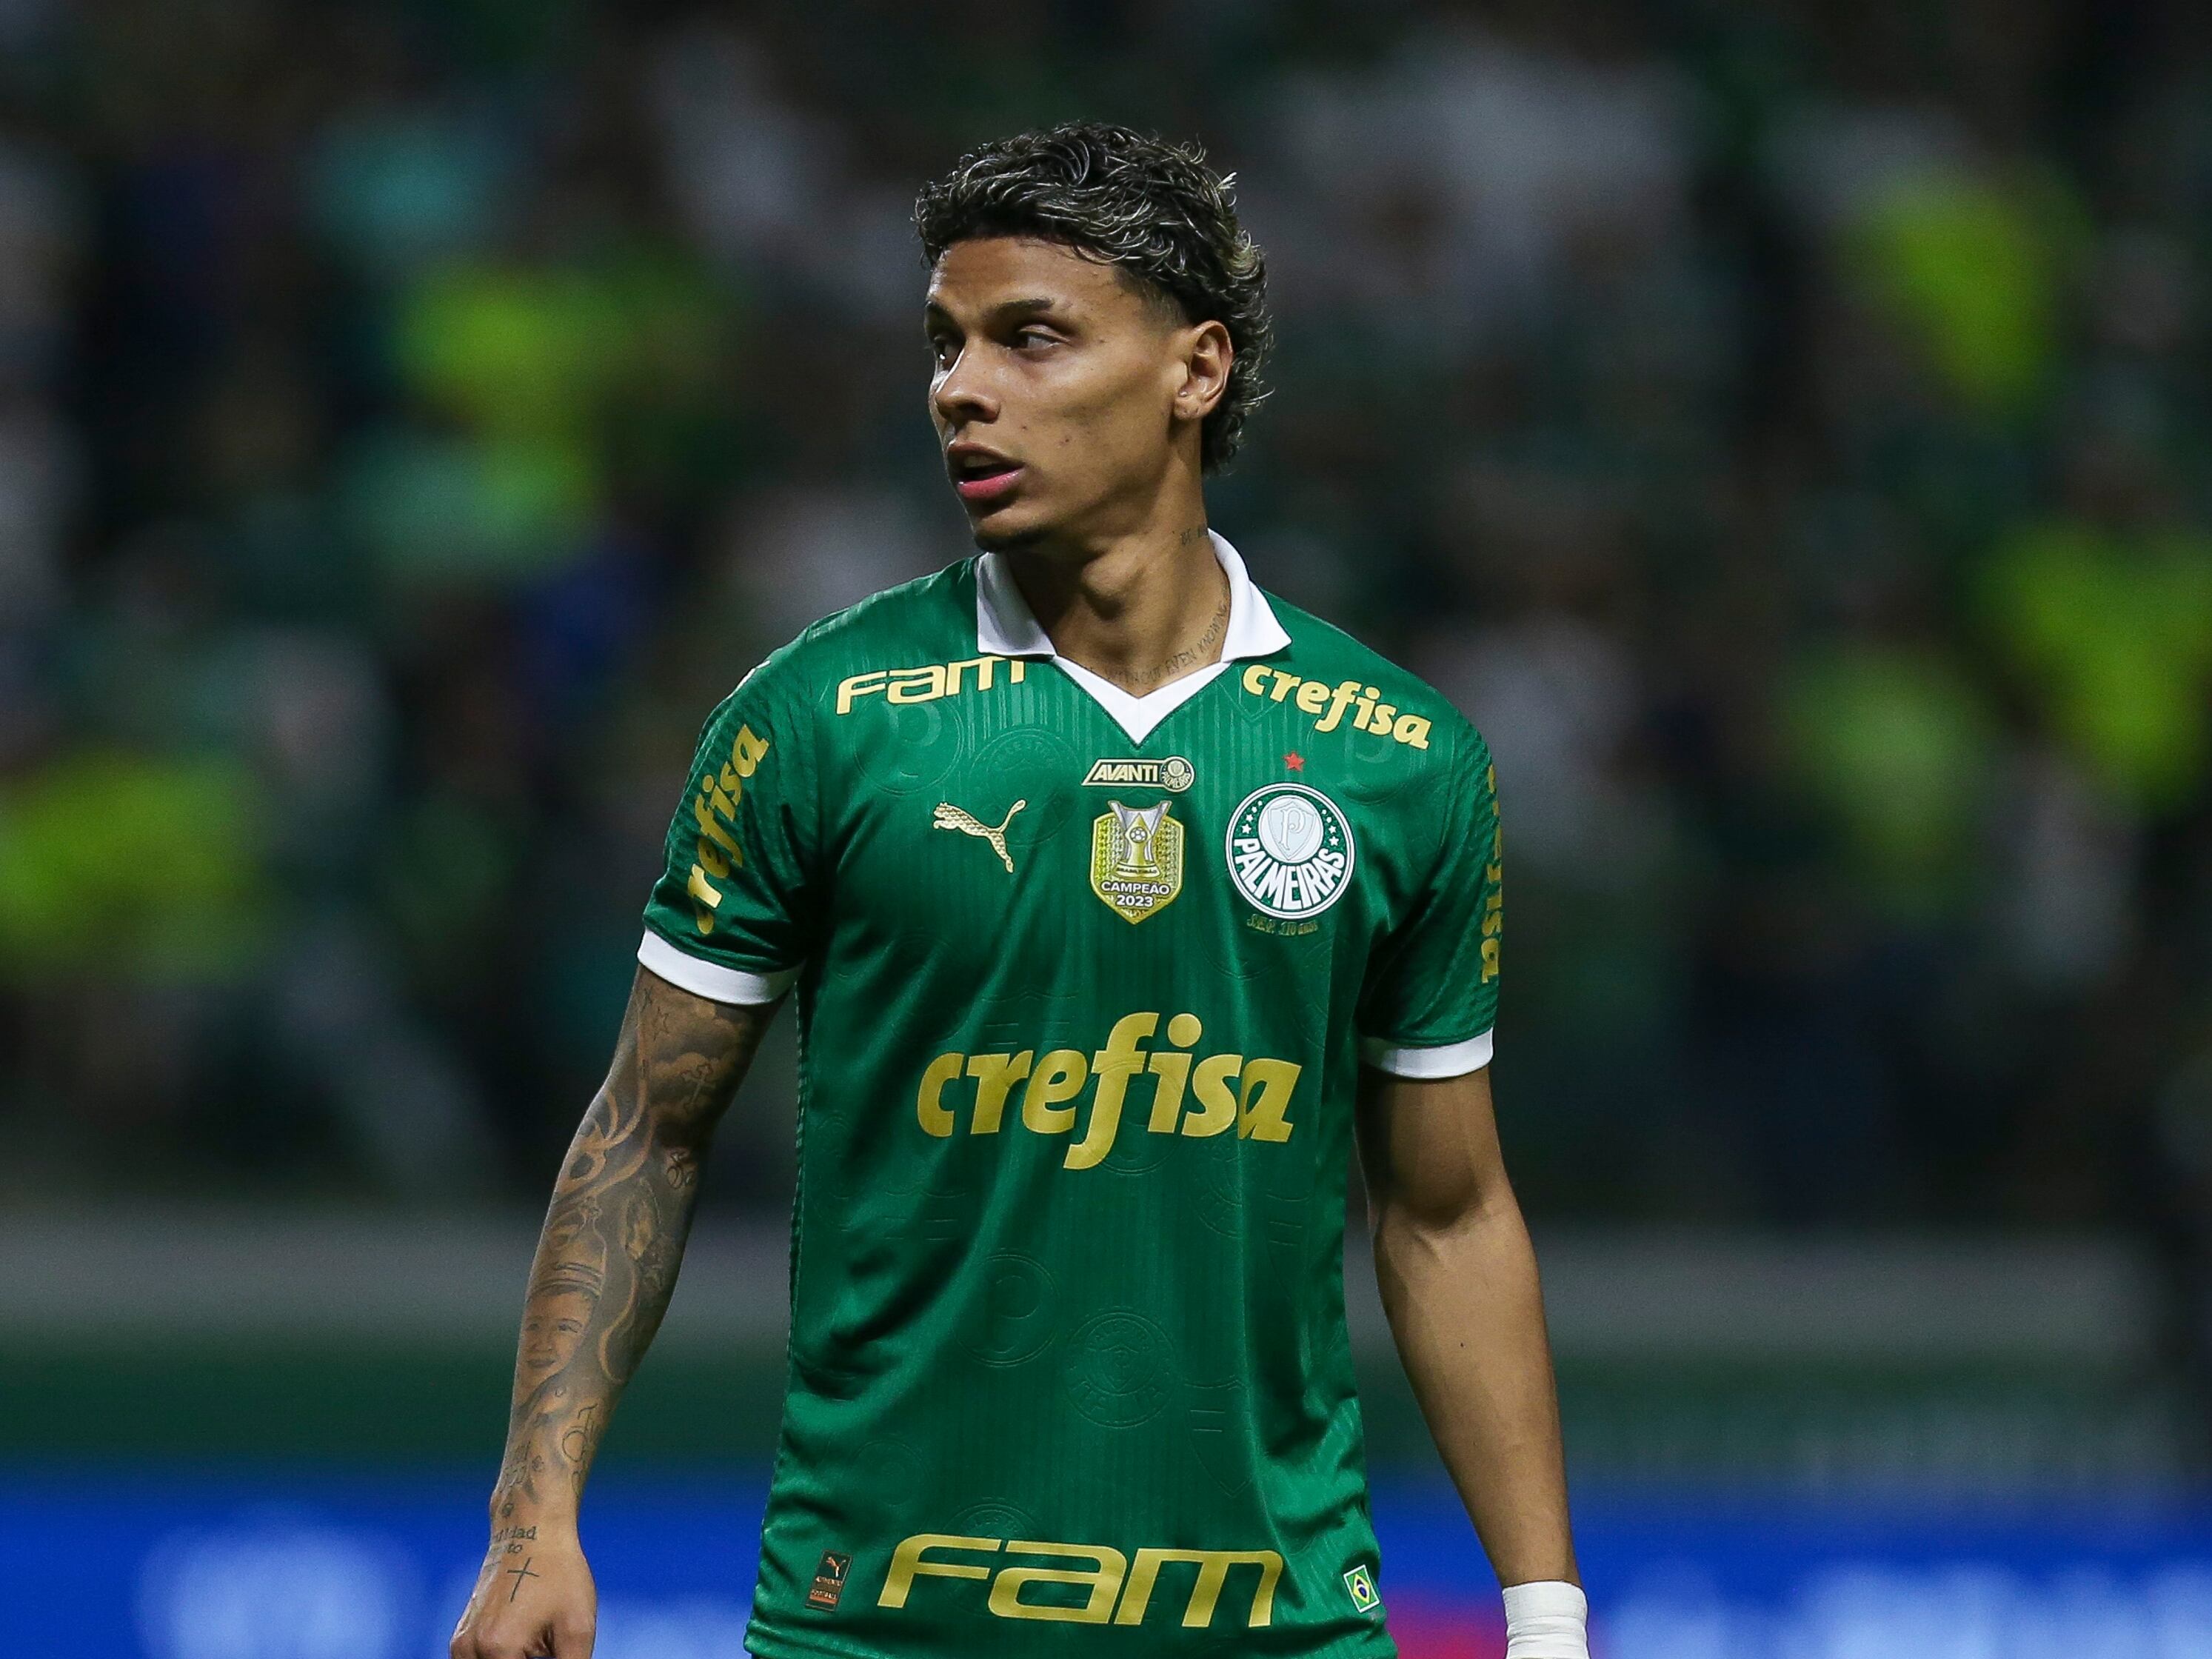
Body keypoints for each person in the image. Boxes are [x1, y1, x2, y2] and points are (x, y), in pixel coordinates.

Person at [451, 121, 1585, 1659]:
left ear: (1194, 370)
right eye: (944, 344)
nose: (959, 388)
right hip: (877, 1623)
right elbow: (647, 1127)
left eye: (1029, 339)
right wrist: (534, 1521)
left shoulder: (1399, 758)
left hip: (1275, 1623)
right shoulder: (822, 719)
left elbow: (1447, 1212)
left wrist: (1545, 1613)